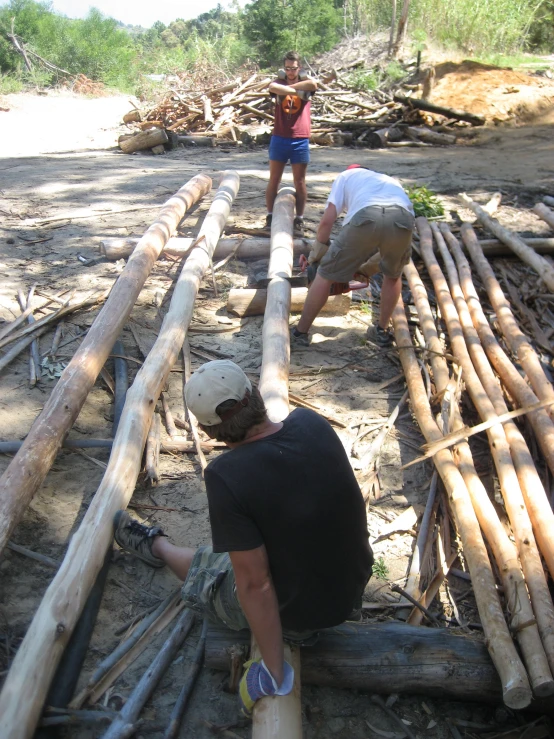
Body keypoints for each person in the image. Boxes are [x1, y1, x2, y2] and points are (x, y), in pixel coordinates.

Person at [113, 359, 373, 717]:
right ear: (254, 396)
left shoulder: (226, 474)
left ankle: (155, 544)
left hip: (303, 616)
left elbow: (255, 585)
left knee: (208, 570)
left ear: (209, 431)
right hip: (353, 585)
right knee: (232, 556)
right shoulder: (310, 422)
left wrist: (274, 670)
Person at [291, 165, 415, 347]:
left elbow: (326, 223)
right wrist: (364, 270)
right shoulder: (388, 181)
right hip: (402, 218)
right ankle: (381, 331)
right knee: (393, 275)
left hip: (367, 215)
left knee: (324, 275)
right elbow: (386, 247)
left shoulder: (345, 176)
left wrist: (316, 257)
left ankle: (299, 332)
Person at [265, 51, 317, 233]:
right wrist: (295, 89)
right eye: (287, 68)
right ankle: (270, 216)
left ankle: (299, 219)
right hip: (279, 137)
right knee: (274, 180)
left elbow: (313, 84)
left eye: (293, 69)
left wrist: (295, 86)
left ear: (299, 68)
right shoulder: (279, 83)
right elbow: (273, 87)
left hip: (300, 139)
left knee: (300, 182)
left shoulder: (306, 83)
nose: (290, 72)